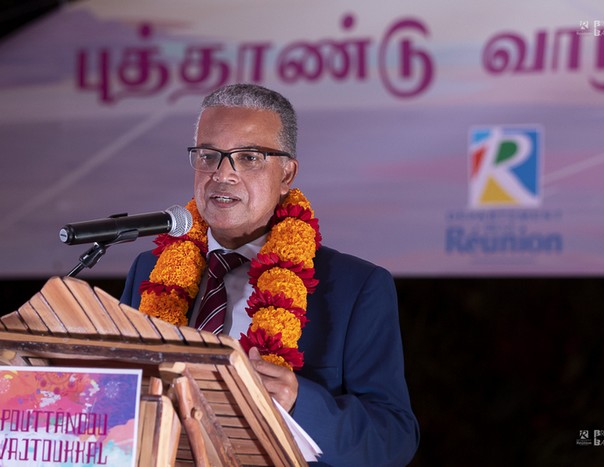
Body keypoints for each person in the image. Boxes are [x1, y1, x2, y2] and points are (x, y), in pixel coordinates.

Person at [120, 83, 419, 466]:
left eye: (248, 158)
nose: (222, 175)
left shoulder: (354, 287)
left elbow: (392, 440)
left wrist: (298, 401)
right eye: (208, 156)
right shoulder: (149, 270)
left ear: (287, 174)